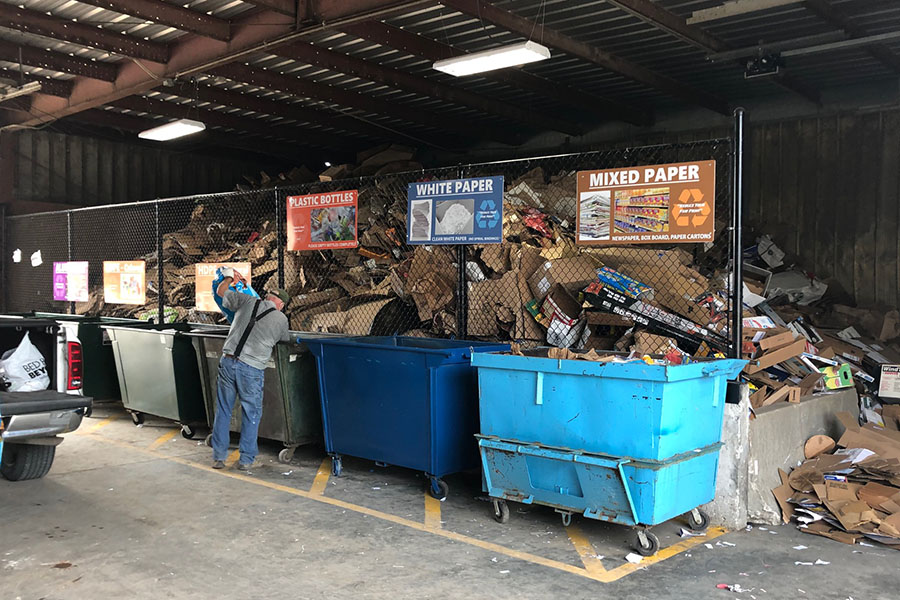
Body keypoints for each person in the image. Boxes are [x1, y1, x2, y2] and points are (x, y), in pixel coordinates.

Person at [211, 267, 291, 471]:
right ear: (280, 304)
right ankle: (246, 460)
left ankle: (219, 457)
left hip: (228, 361)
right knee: (250, 413)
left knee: (224, 410)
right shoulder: (281, 319)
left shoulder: (247, 301)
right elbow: (284, 340)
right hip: (252, 368)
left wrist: (229, 277)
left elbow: (221, 292)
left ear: (267, 297)